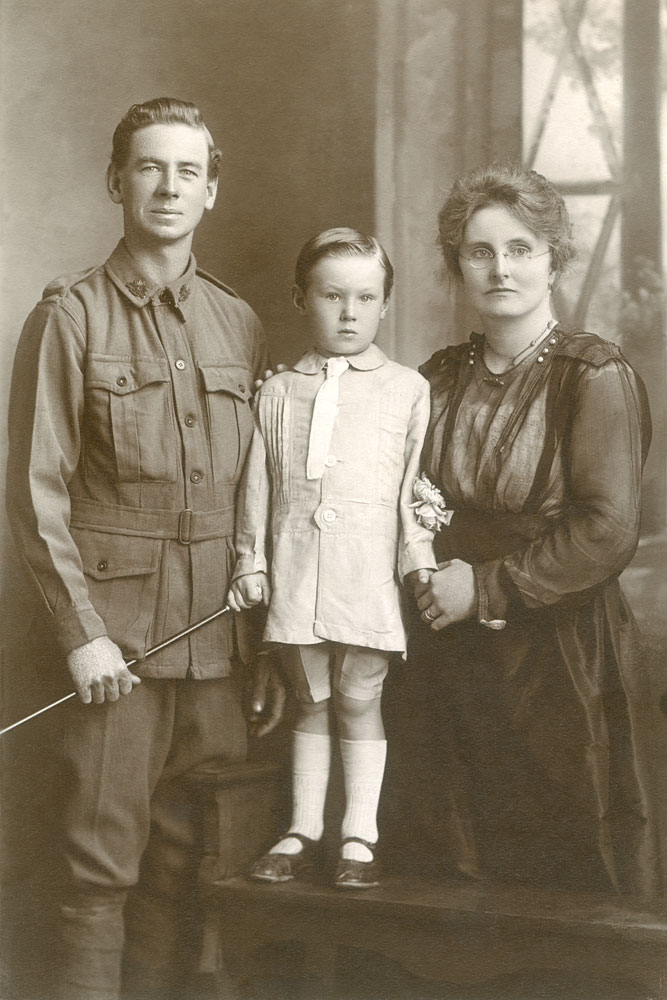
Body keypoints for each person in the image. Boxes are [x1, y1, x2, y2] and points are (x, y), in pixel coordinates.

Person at [6, 97, 285, 1000]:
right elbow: (33, 494)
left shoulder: (236, 323)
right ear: (116, 180)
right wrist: (80, 633)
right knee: (98, 872)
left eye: (188, 170)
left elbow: (258, 498)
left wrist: (266, 640)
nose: (169, 186)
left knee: (184, 866)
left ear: (212, 189)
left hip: (214, 649)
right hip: (116, 650)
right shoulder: (69, 318)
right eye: (150, 167)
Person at [402, 161, 661, 904]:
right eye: (478, 252)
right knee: (445, 880)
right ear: (457, 265)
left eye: (519, 248)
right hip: (445, 658)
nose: (499, 268)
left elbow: (607, 531)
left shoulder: (593, 375)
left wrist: (482, 585)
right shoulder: (436, 377)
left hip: (558, 659)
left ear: (553, 259)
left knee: (557, 881)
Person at [227, 228, 437, 889]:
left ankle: (359, 838)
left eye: (364, 298)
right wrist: (248, 561)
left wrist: (419, 564)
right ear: (300, 299)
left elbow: (410, 493)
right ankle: (302, 829)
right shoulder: (277, 391)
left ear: (384, 304)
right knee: (308, 699)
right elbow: (256, 486)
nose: (348, 313)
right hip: (296, 570)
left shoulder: (406, 389)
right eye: (331, 296)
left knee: (357, 697)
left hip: (365, 576)